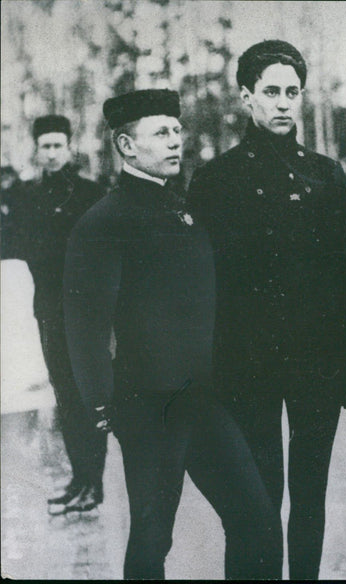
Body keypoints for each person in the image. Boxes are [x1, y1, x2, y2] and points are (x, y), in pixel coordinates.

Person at [63, 89, 281, 579]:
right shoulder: (103, 222)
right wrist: (100, 401)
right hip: (147, 408)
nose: (175, 141)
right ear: (125, 145)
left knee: (258, 522)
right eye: (161, 132)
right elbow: (84, 324)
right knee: (152, 537)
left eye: (177, 130)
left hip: (202, 400)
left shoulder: (184, 210)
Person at [187, 40, 346, 580]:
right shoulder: (215, 180)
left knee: (309, 495)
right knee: (257, 498)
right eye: (271, 92)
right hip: (246, 365)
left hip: (316, 365)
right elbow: (203, 284)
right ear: (246, 97)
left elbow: (345, 278)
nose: (283, 103)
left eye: (293, 92)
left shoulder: (327, 177)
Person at [1, 115, 107, 515]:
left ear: (69, 148)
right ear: (36, 150)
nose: (51, 153)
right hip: (47, 308)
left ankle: (94, 484)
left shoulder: (90, 194)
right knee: (65, 396)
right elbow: (10, 240)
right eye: (44, 146)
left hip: (87, 310)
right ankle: (79, 479)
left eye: (57, 145)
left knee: (88, 397)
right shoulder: (26, 197)